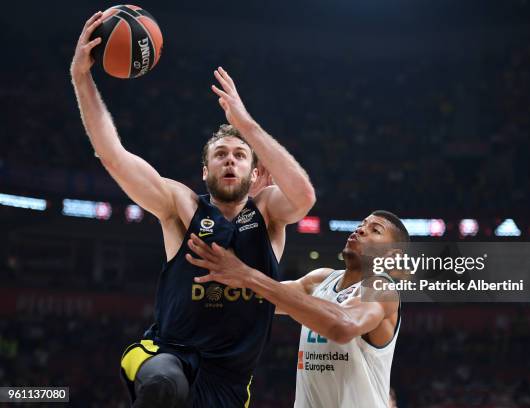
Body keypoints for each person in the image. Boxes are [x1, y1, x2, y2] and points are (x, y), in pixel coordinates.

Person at [70, 12, 316, 408]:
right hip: (171, 354)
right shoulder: (181, 204)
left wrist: (246, 125)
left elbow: (304, 197)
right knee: (163, 385)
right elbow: (113, 157)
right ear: (205, 170)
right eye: (221, 155)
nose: (230, 161)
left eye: (240, 155)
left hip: (230, 382)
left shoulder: (267, 211)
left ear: (255, 173)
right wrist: (81, 78)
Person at [186, 210, 408, 408]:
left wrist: (249, 276)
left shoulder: (383, 289)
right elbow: (258, 298)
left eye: (375, 230)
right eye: (362, 223)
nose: (361, 229)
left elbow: (344, 326)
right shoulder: (320, 280)